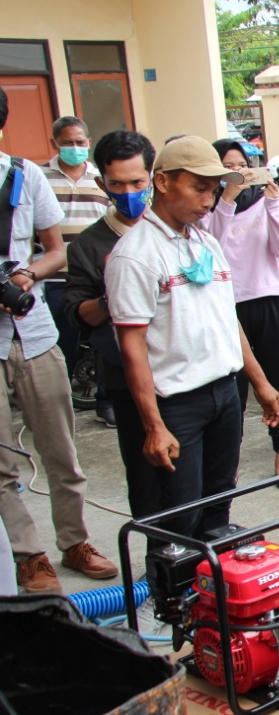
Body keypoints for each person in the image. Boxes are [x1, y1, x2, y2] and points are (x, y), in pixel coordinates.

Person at [106, 136, 279, 540]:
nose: (209, 200)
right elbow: (132, 346)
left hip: (223, 394)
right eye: (199, 188)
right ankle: (169, 597)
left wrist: (260, 382)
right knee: (177, 515)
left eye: (214, 190)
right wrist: (153, 425)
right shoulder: (136, 254)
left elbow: (227, 318)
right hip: (176, 405)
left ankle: (212, 591)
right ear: (164, 182)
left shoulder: (205, 243)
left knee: (218, 502)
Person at [0, 91, 116, 593]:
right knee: (2, 460)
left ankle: (75, 541)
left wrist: (26, 275)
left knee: (60, 448)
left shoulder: (24, 177)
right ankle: (28, 554)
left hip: (34, 331)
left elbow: (55, 251)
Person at [65, 130, 163, 521]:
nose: (128, 193)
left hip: (184, 372)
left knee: (198, 476)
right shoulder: (89, 246)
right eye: (117, 184)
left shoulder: (174, 231)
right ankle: (161, 564)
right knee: (146, 475)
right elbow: (78, 313)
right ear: (101, 183)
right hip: (126, 377)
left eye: (137, 182)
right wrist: (115, 296)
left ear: (154, 177)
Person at [205, 138, 279, 477]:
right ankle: (233, 459)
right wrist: (226, 198)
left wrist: (273, 205)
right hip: (230, 304)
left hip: (270, 298)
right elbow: (210, 244)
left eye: (241, 164)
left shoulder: (264, 200)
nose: (237, 171)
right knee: (235, 389)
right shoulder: (209, 207)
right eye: (228, 166)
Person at [40, 116, 110, 420]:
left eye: (80, 142)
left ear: (89, 143)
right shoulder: (39, 177)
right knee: (60, 345)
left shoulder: (101, 178)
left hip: (97, 277)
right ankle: (57, 407)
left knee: (105, 344)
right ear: (55, 143)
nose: (74, 147)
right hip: (55, 279)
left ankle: (106, 403)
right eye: (67, 142)